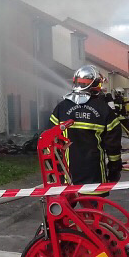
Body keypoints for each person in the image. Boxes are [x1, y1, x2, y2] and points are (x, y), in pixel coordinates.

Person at [49, 65, 123, 193]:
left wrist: (52, 169)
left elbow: (50, 140)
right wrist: (114, 169)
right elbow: (113, 146)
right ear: (94, 85)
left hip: (66, 174)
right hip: (94, 175)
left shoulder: (61, 108)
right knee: (93, 211)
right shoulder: (104, 110)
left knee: (66, 211)